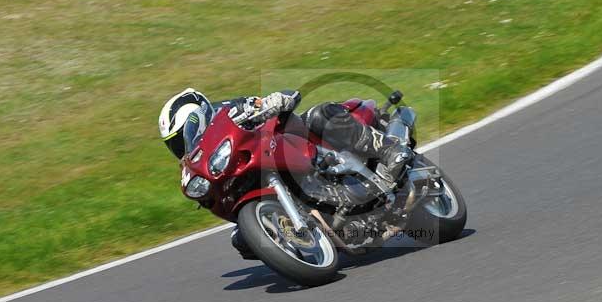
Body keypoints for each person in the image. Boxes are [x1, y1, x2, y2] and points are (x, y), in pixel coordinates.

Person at [158, 88, 413, 182]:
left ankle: (389, 150)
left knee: (318, 114)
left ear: (197, 117)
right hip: (263, 166)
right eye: (175, 146)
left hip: (288, 140)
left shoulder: (229, 110)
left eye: (183, 138)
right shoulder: (203, 160)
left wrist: (274, 101)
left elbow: (263, 102)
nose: (182, 148)